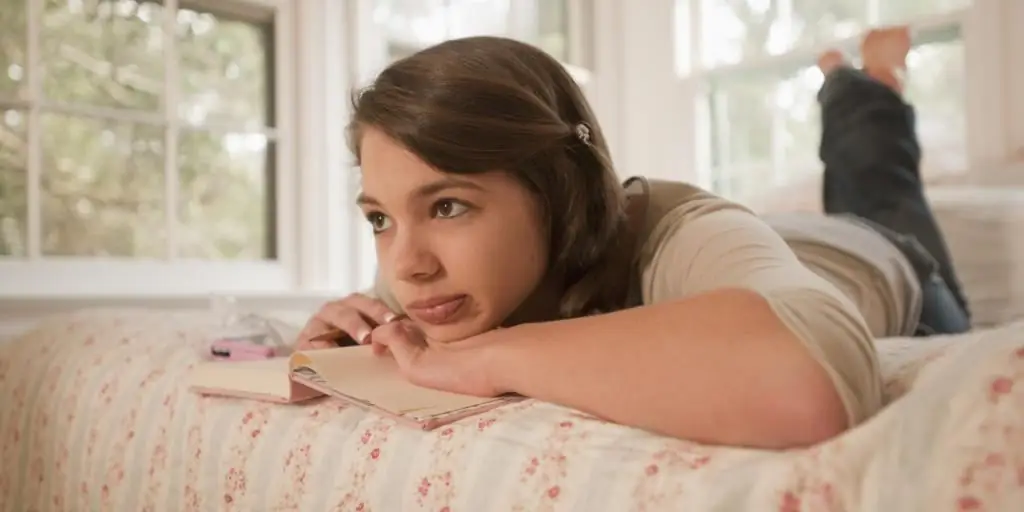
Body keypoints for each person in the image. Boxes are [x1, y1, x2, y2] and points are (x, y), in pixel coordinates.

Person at [293, 26, 968, 449]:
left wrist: (488, 357)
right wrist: (352, 336)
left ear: (557, 189)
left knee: (880, 185)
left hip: (874, 260)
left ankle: (863, 86)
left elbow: (809, 379)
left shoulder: (682, 231)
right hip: (775, 245)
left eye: (446, 206)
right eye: (379, 218)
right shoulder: (426, 276)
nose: (406, 266)